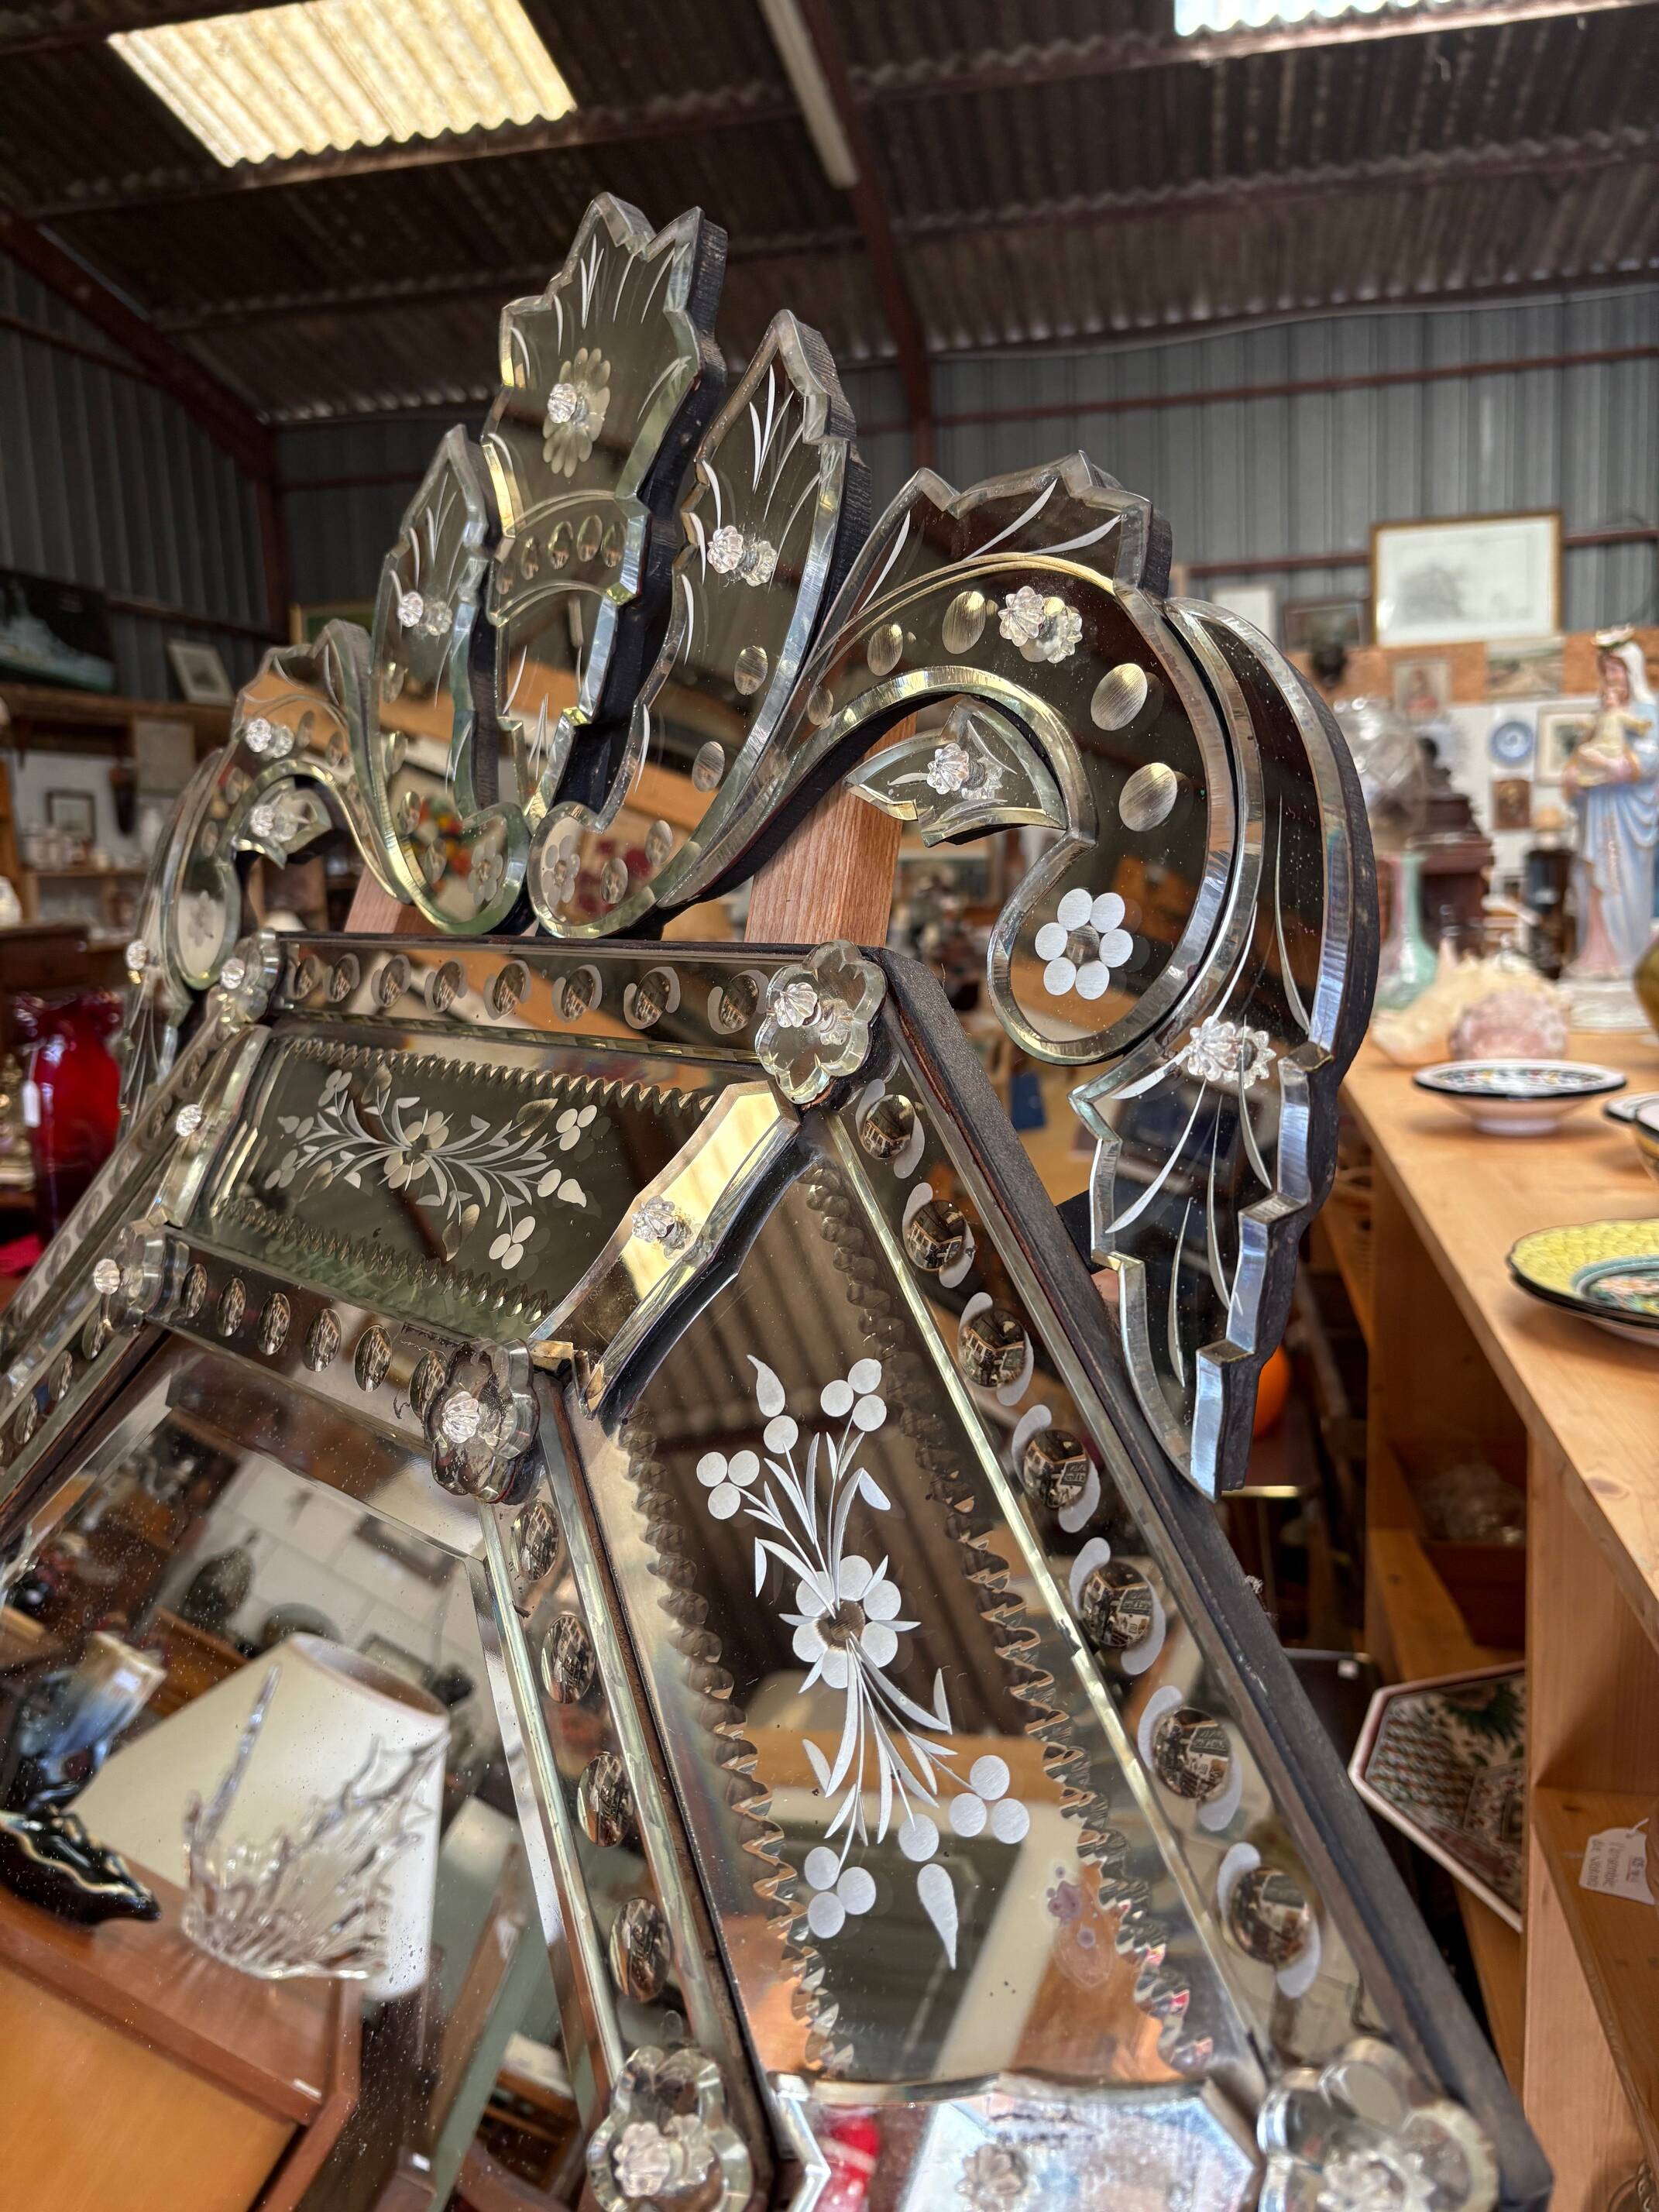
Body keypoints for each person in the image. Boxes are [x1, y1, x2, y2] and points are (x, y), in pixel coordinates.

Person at [1561, 628, 1659, 981]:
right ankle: (1596, 956)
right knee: (1593, 883)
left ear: (1631, 672)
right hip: (1598, 809)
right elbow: (1581, 755)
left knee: (1623, 883)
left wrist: (1614, 766)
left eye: (1616, 670)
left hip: (1629, 815)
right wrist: (1573, 777)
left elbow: (1650, 759)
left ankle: (1627, 958)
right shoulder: (1601, 713)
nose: (1610, 678)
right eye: (1606, 671)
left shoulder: (1647, 712)